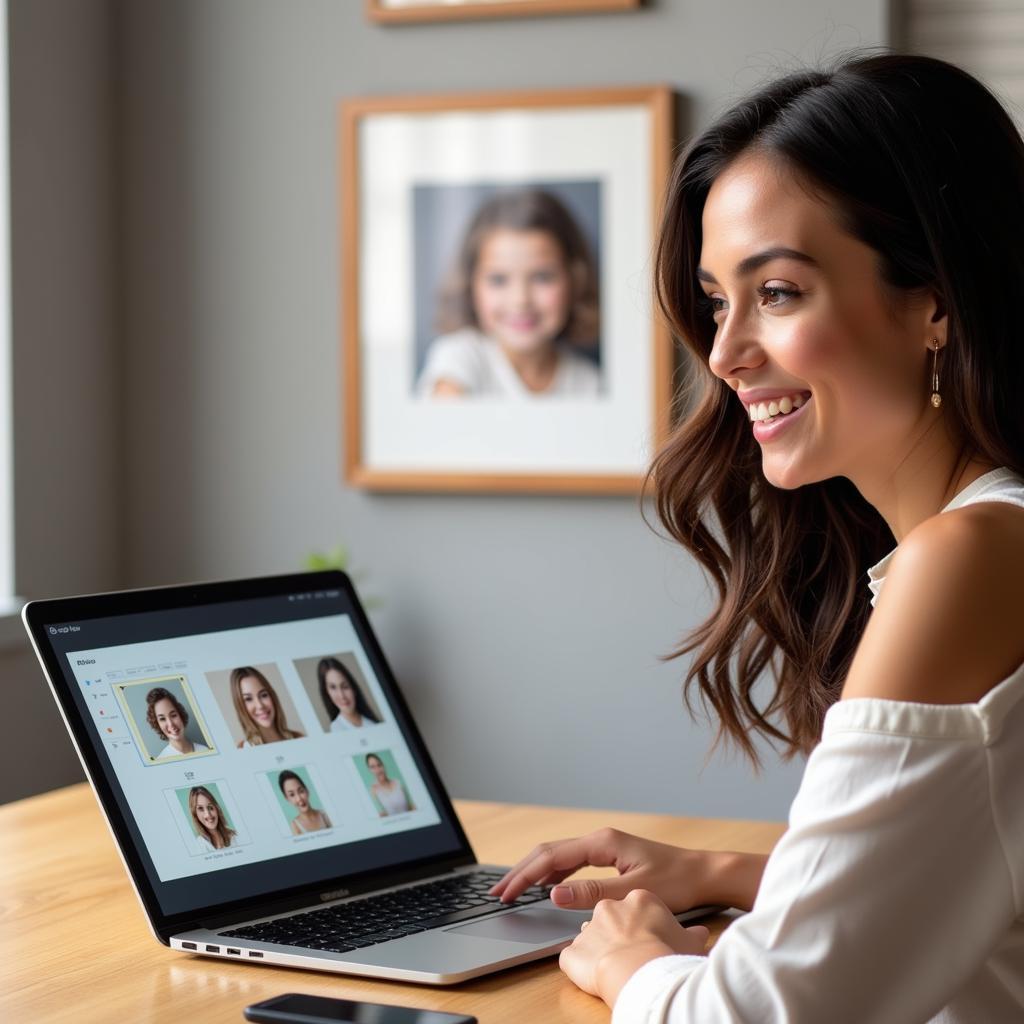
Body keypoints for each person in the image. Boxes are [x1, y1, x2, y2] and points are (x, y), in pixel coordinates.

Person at [490, 49, 1024, 1023]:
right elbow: (989, 857)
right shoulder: (978, 542)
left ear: (934, 301)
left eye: (776, 293)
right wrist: (716, 868)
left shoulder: (969, 560)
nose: (727, 354)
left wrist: (636, 964)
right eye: (717, 299)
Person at [416, 188, 601, 397]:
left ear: (576, 279)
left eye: (542, 277)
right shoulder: (458, 359)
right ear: (471, 285)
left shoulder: (590, 384)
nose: (520, 300)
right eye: (498, 280)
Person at [230, 666, 305, 747]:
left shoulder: (300, 738)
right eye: (248, 699)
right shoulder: (242, 749)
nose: (260, 705)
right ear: (240, 706)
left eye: (263, 695)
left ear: (272, 696)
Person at [317, 656, 381, 731]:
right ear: (327, 692)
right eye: (333, 687)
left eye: (345, 687)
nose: (341, 696)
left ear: (353, 688)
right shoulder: (336, 729)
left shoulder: (372, 723)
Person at [144, 686, 210, 758]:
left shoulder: (205, 750)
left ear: (180, 715)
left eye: (173, 715)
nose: (171, 724)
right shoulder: (161, 761)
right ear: (157, 724)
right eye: (162, 719)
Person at [278, 770, 331, 835]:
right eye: (292, 795)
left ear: (307, 790)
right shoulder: (295, 826)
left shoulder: (325, 815)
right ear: (287, 799)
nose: (299, 799)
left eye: (301, 791)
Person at [188, 785, 236, 850]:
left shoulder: (234, 835)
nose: (208, 814)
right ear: (195, 814)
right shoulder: (199, 845)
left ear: (216, 808)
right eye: (200, 809)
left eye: (210, 807)